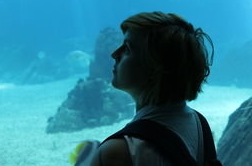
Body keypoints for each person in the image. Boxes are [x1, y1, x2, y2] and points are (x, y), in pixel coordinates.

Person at [74, 11, 220, 166]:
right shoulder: (199, 123)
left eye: (128, 48)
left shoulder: (118, 152)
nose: (115, 54)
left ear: (156, 67)